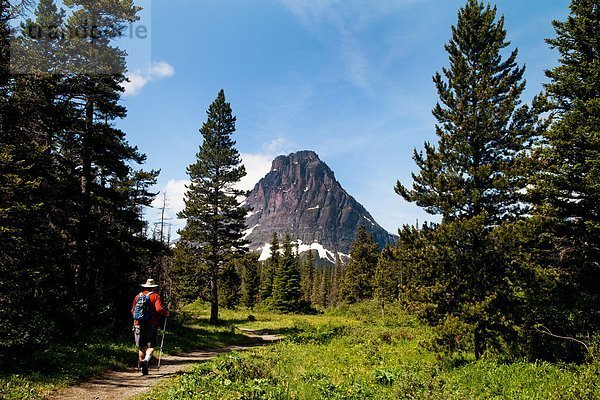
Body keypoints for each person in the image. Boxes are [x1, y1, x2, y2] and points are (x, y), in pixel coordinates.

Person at [131, 278, 169, 375]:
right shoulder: (155, 296)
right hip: (151, 324)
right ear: (154, 288)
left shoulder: (137, 296)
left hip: (138, 324)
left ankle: (142, 369)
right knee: (151, 346)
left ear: (145, 287)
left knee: (141, 347)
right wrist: (166, 313)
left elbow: (133, 311)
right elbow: (159, 309)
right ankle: (146, 361)